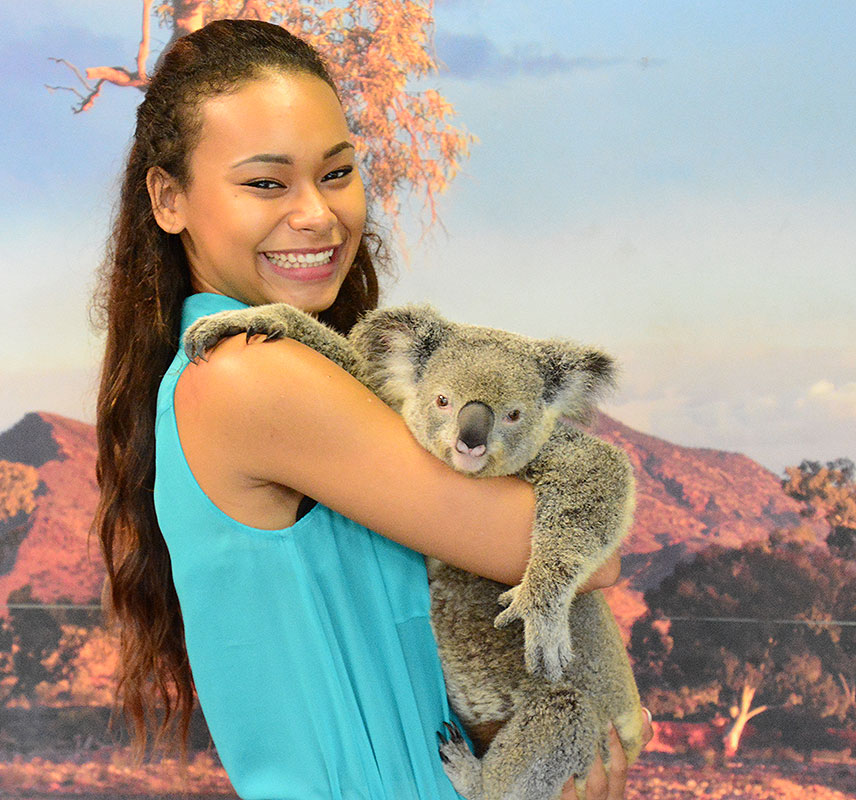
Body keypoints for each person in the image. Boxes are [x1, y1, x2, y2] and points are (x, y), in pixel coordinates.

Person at [93, 19, 650, 800]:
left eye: (337, 172)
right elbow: (574, 549)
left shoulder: (261, 364)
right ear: (169, 198)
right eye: (265, 183)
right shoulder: (251, 375)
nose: (317, 214)